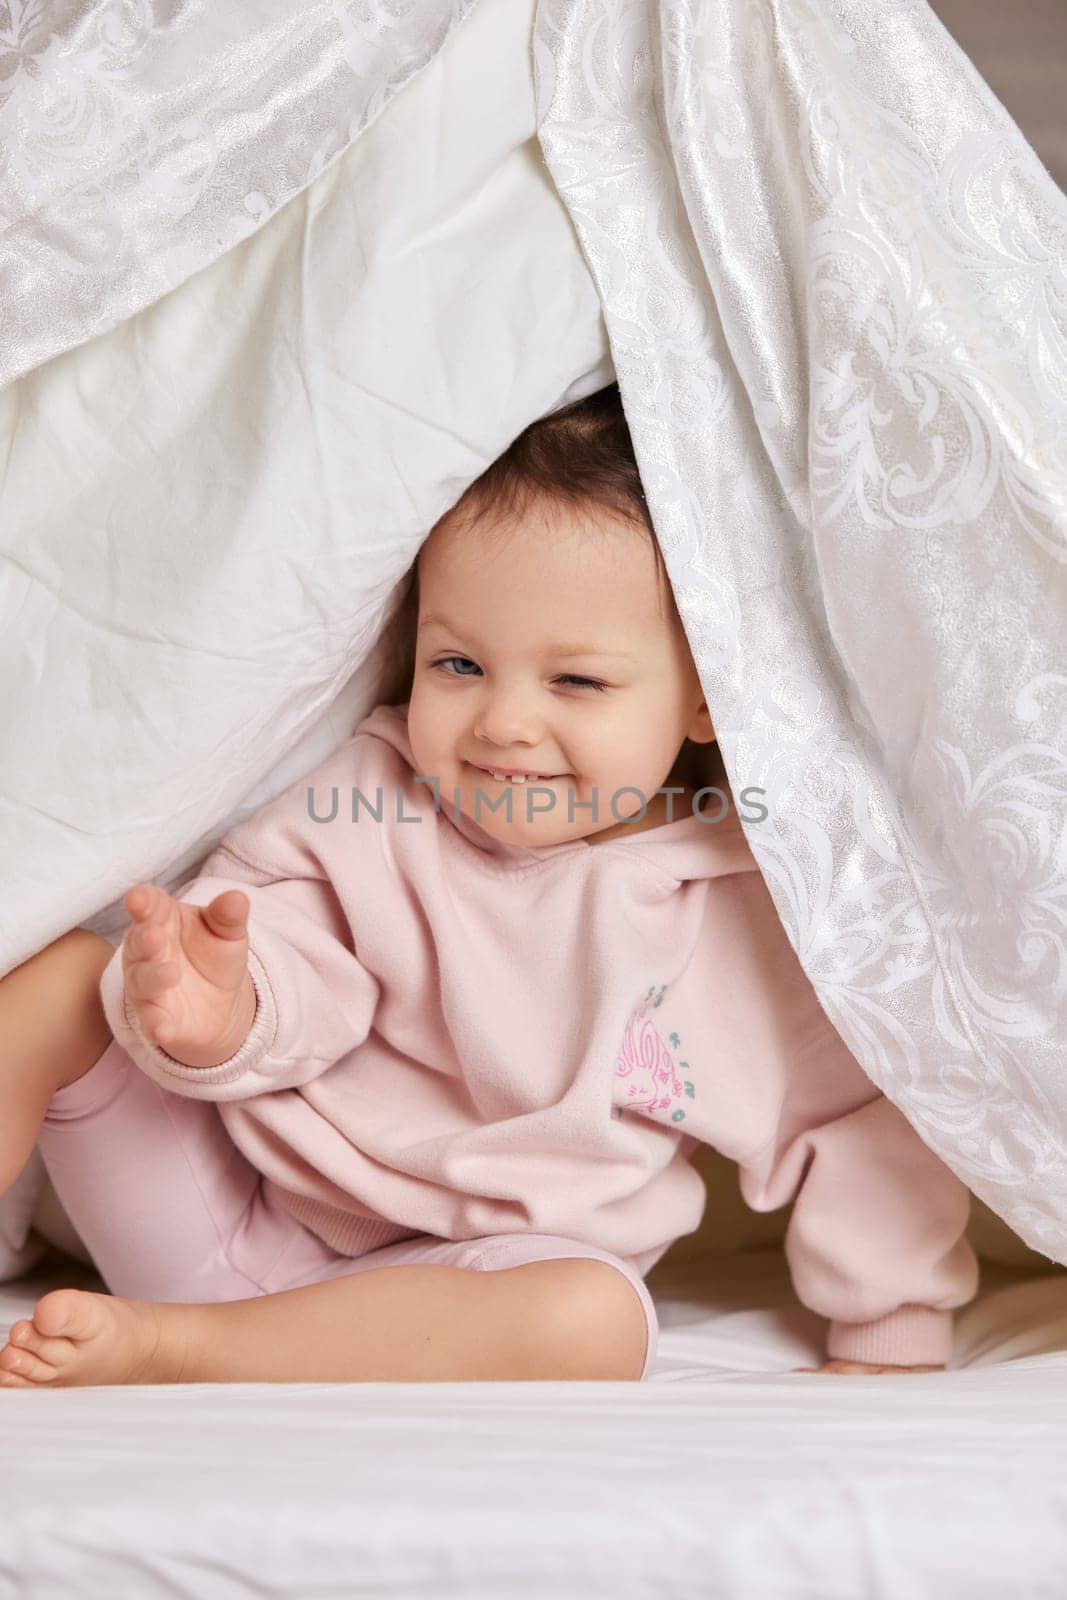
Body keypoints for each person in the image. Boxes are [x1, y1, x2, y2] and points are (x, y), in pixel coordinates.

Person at [0, 385, 979, 1389]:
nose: (502, 723)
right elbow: (282, 946)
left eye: (576, 682)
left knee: (593, 1316)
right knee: (62, 980)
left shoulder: (730, 912)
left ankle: (184, 1354)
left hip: (449, 1288)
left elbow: (845, 1118)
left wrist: (890, 1326)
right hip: (217, 1210)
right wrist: (222, 1013)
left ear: (702, 698)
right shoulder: (372, 798)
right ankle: (174, 1326)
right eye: (459, 662)